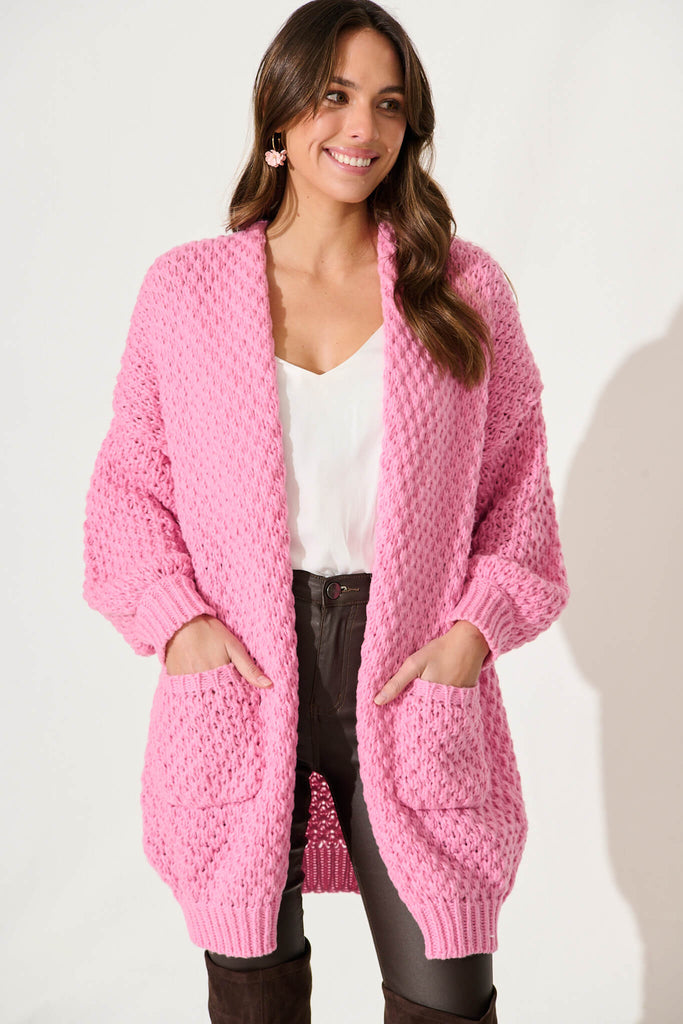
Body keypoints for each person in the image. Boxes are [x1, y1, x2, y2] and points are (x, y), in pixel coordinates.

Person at [82, 1, 570, 1021]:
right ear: (281, 112)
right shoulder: (184, 292)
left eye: (388, 104)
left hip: (407, 670)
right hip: (243, 672)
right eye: (336, 96)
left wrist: (470, 637)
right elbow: (129, 491)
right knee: (254, 996)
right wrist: (181, 626)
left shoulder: (460, 287)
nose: (362, 127)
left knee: (446, 995)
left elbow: (517, 493)